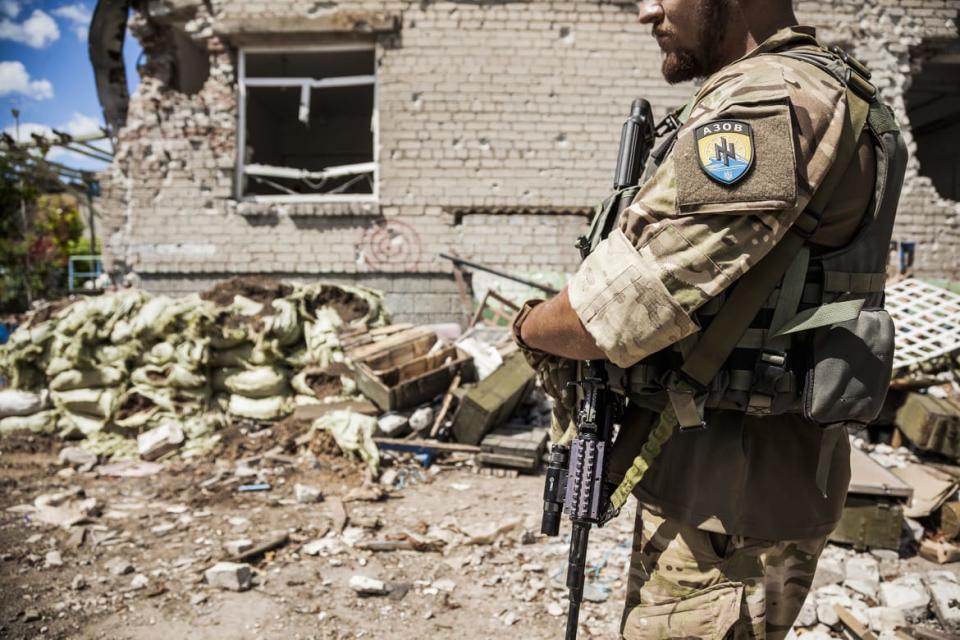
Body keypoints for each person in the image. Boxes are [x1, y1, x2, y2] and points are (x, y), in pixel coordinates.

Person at [512, 0, 905, 638]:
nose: (647, 11)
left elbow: (614, 313)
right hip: (723, 480)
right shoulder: (805, 86)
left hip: (731, 505)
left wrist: (529, 326)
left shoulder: (770, 101)